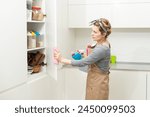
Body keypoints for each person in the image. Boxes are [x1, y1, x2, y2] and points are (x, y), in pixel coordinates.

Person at [54, 18, 112, 100]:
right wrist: (85, 54)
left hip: (97, 84)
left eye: (95, 32)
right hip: (95, 81)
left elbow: (83, 62)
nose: (92, 34)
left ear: (103, 34)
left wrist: (62, 59)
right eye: (92, 31)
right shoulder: (103, 43)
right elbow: (95, 60)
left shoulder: (102, 48)